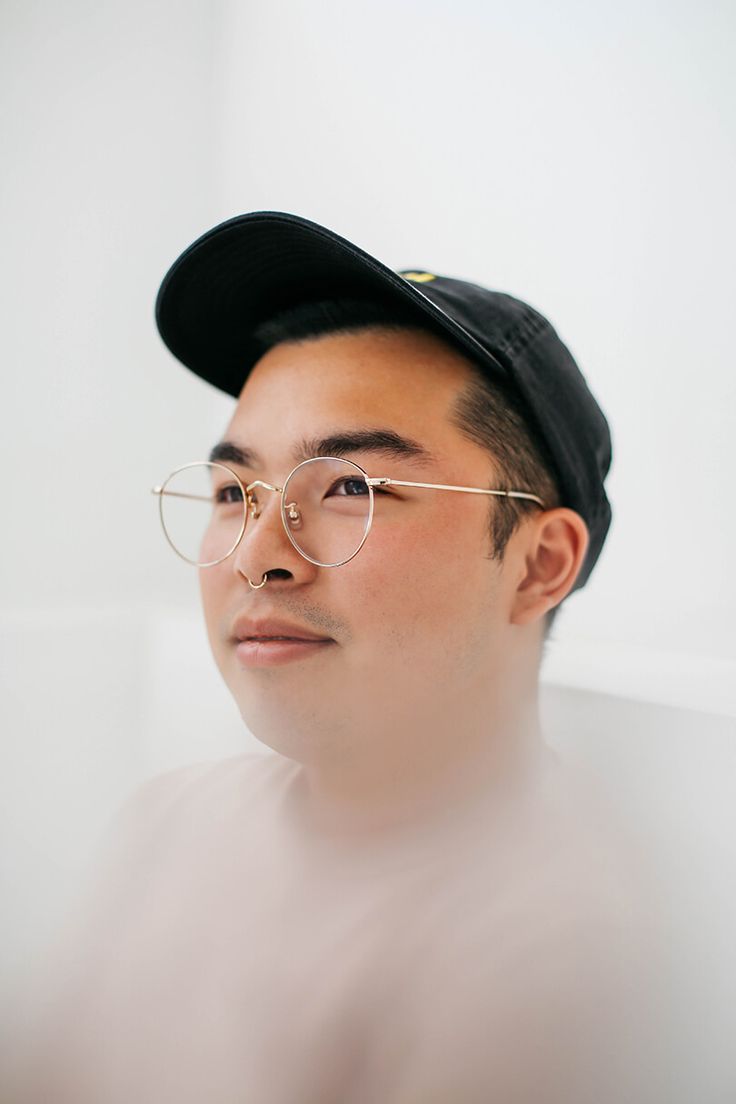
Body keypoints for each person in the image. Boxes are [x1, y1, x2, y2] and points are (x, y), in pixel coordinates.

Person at [9, 212, 670, 1102]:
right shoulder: (169, 821)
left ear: (538, 564)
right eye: (234, 491)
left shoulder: (562, 952)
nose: (256, 553)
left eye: (352, 487)